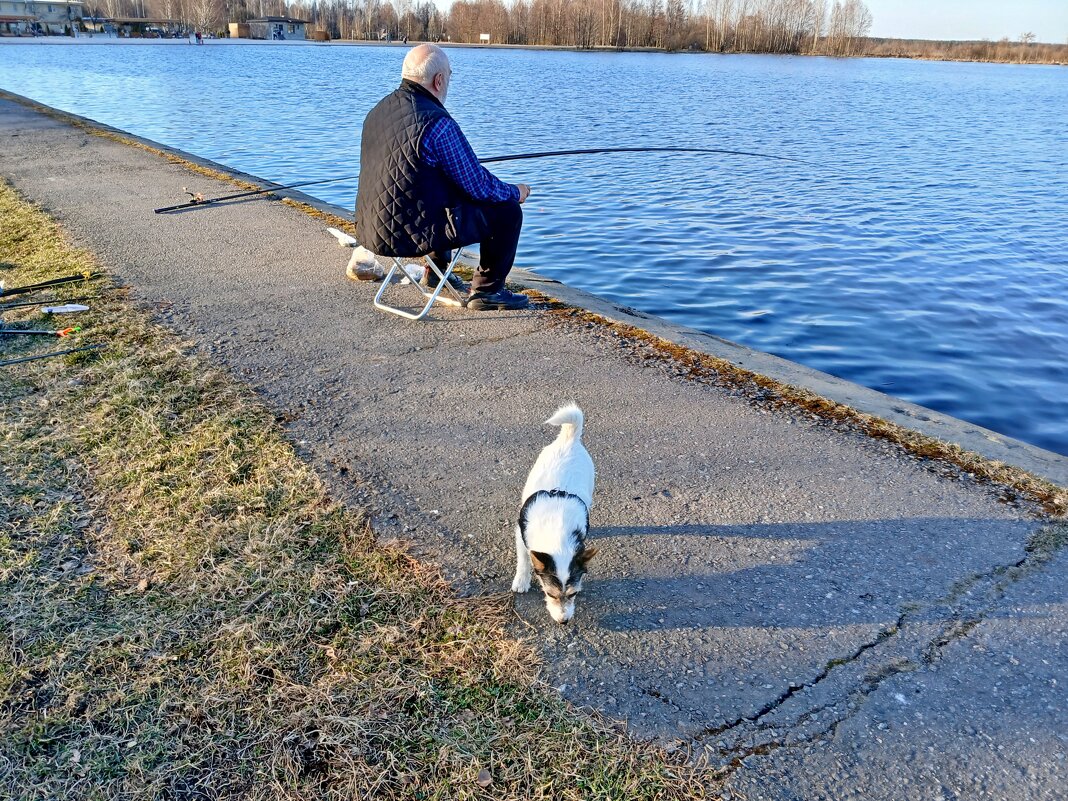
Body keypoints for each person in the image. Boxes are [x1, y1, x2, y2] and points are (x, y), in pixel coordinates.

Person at [354, 44, 531, 311]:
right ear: (439, 80)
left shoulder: (377, 112)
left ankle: (435, 273)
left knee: (437, 189)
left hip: (372, 229)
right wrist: (515, 191)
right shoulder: (437, 123)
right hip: (412, 232)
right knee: (506, 211)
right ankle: (487, 291)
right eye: (449, 75)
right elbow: (479, 186)